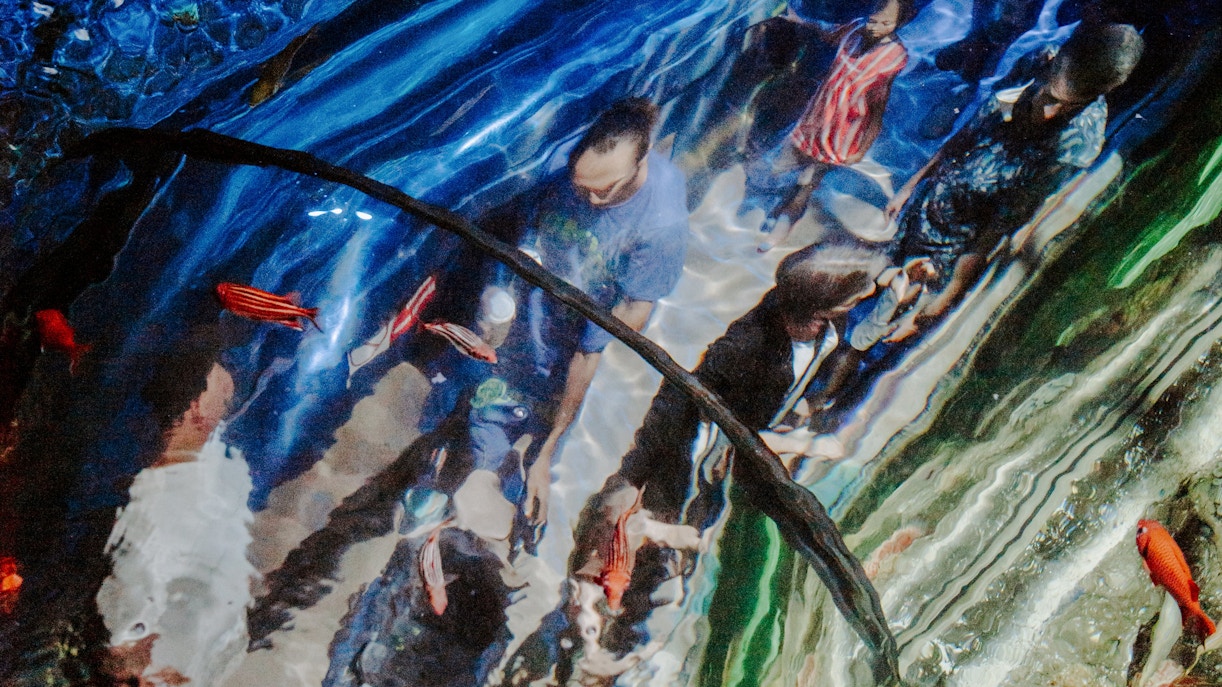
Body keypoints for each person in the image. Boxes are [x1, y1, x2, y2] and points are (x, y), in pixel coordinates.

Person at [461, 96, 690, 535]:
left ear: (642, 161)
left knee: (542, 452)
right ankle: (483, 471)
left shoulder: (661, 229)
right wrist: (506, 284)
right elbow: (529, 221)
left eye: (606, 189)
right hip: (533, 302)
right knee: (489, 401)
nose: (591, 198)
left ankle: (522, 522)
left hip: (578, 334)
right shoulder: (571, 169)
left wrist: (546, 452)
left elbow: (607, 337)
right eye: (582, 186)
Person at [881, 22, 1144, 338]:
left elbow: (1002, 224)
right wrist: (912, 185)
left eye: (1064, 103)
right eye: (1048, 86)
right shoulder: (1039, 60)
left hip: (955, 244)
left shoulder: (1078, 144)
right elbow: (971, 130)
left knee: (894, 314)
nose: (1047, 104)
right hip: (932, 198)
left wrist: (943, 300)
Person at [745, 0, 914, 252]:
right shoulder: (855, 30)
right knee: (783, 166)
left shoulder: (895, 56)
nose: (876, 28)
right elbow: (825, 34)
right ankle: (780, 205)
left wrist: (863, 146)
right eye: (873, 20)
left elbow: (878, 105)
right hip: (816, 117)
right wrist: (796, 19)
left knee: (807, 182)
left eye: (887, 23)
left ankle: (784, 224)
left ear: (900, 22)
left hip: (843, 132)